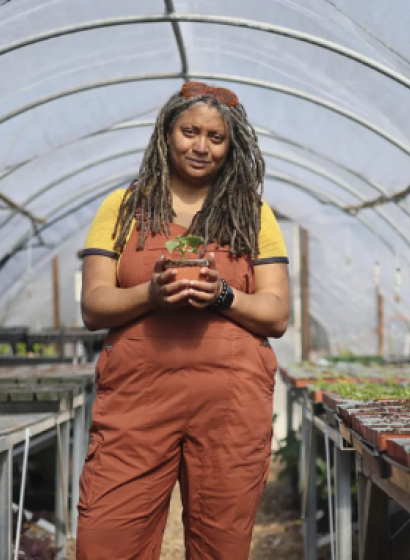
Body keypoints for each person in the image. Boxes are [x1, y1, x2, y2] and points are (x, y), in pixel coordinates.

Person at [77, 81, 291, 560]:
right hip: (137, 400)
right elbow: (94, 304)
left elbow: (276, 314)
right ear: (165, 134)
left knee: (221, 545)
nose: (201, 146)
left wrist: (224, 295)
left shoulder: (253, 214)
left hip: (229, 405)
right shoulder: (123, 208)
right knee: (105, 540)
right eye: (189, 131)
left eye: (215, 138)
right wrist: (151, 294)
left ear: (230, 146)